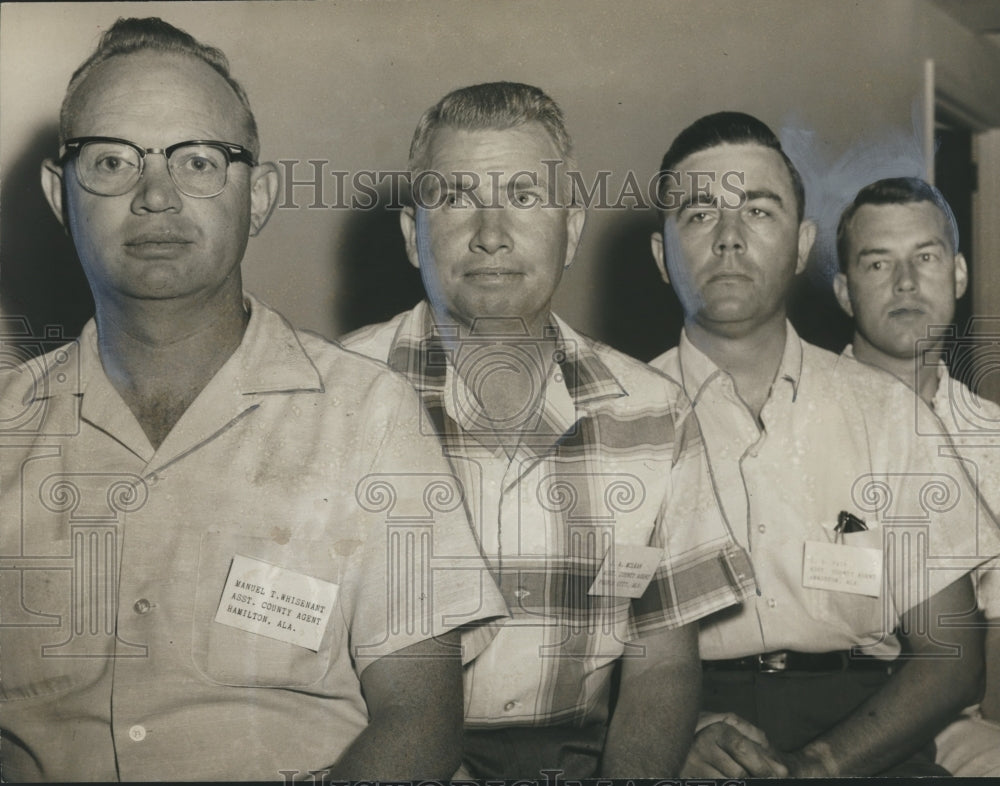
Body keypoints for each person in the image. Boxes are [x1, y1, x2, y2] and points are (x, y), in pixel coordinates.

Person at [0, 17, 506, 782]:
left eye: (199, 160)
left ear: (259, 196)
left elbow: (421, 725)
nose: (157, 197)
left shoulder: (370, 416)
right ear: (58, 194)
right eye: (110, 161)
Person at [341, 81, 756, 778]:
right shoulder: (331, 398)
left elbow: (661, 669)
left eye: (525, 197)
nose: (491, 233)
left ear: (572, 230)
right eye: (456, 198)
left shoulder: (656, 414)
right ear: (414, 236)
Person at [648, 111, 999, 777]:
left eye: (758, 211)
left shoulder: (886, 413)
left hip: (866, 729)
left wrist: (824, 764)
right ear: (663, 256)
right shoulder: (609, 420)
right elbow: (563, 659)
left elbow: (953, 656)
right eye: (698, 215)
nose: (728, 239)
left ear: (802, 244)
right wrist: (673, 733)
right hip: (678, 724)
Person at [834, 176, 1000, 776]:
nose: (906, 283)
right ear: (845, 291)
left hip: (961, 722)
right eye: (877, 264)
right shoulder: (792, 420)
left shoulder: (995, 440)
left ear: (957, 274)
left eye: (924, 258)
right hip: (827, 704)